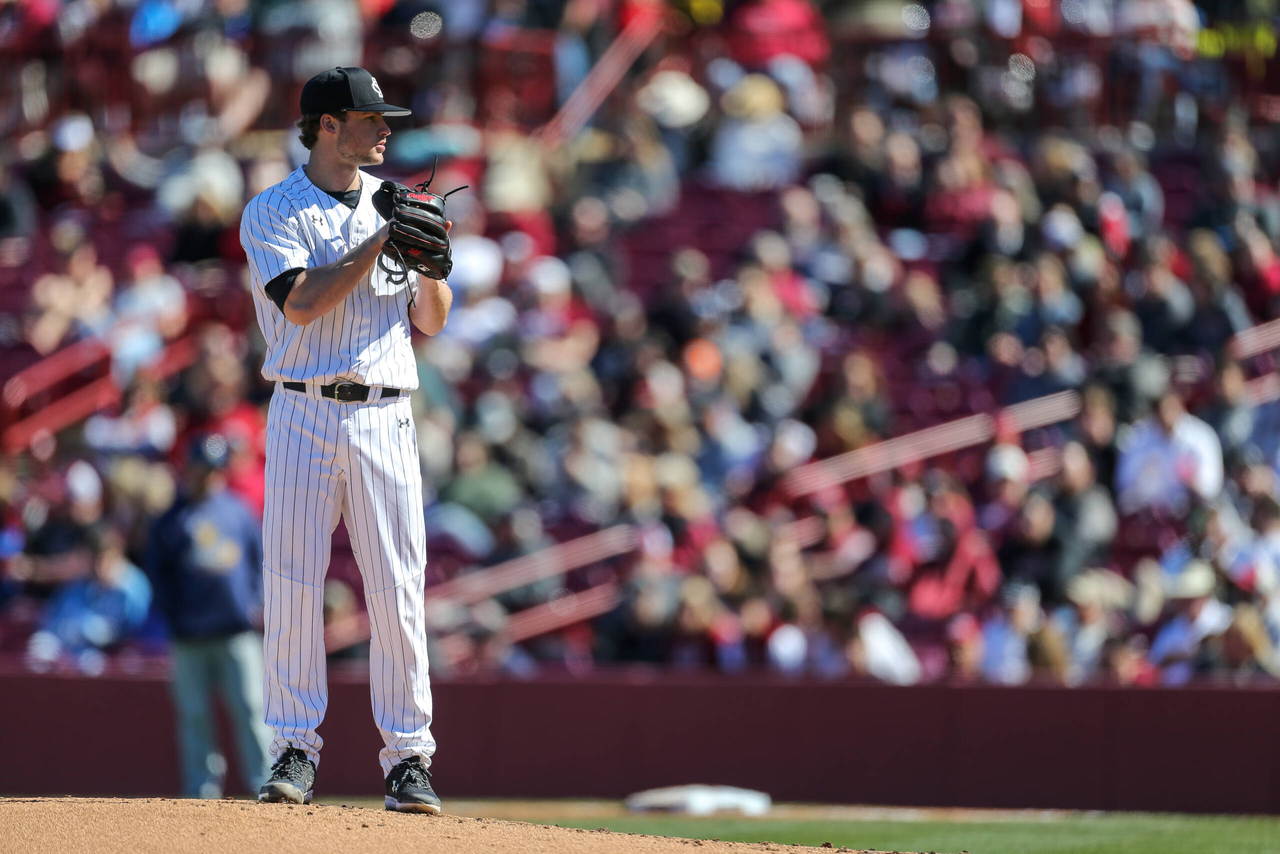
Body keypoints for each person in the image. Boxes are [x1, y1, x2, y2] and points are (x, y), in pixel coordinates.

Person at [239, 66, 452, 813]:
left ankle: (409, 759)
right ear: (328, 124)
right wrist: (381, 241)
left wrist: (428, 260)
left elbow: (432, 320)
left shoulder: (395, 201)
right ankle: (295, 748)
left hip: (385, 411)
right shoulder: (274, 209)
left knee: (398, 589)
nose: (386, 128)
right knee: (294, 584)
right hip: (303, 405)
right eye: (370, 118)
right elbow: (299, 305)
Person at [147, 434, 273, 798]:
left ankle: (264, 783)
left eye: (214, 468)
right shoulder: (171, 518)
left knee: (251, 710)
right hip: (189, 637)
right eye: (202, 468)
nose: (208, 475)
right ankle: (200, 790)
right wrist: (174, 617)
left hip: (236, 631)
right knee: (194, 715)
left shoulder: (238, 510)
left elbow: (259, 562)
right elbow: (159, 574)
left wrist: (255, 603)